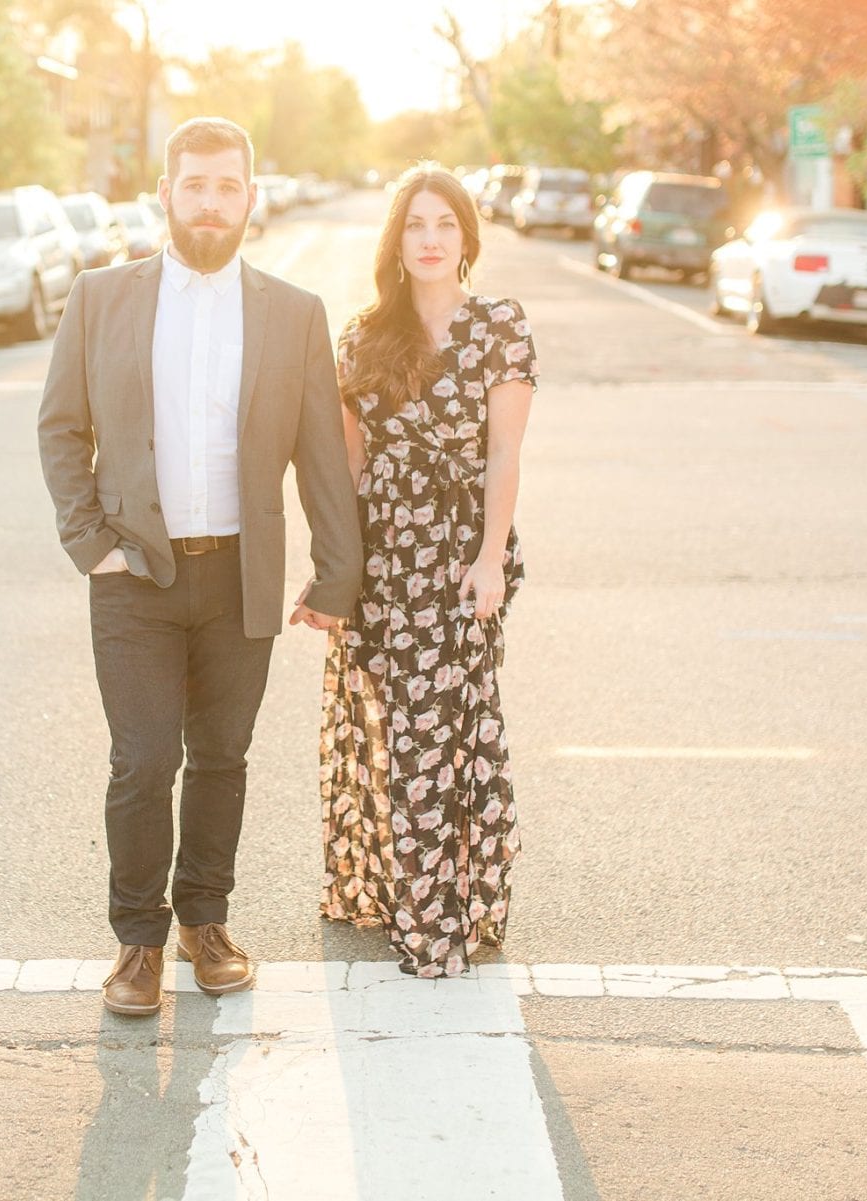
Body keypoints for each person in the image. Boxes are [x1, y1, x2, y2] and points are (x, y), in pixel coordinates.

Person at [38, 117, 364, 1017]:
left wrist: (338, 574)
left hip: (240, 577)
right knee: (143, 761)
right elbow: (63, 428)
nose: (212, 203)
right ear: (166, 194)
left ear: (250, 199)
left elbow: (321, 461)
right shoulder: (101, 298)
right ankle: (137, 941)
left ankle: (204, 922)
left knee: (222, 755)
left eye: (228, 187)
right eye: (196, 185)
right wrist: (90, 543)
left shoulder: (294, 313)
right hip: (134, 574)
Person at [319, 163, 538, 979]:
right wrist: (336, 573)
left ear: (466, 237)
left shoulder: (500, 326)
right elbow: (345, 464)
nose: (432, 239)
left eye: (445, 223)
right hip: (385, 561)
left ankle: (445, 910)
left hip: (461, 557)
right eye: (415, 224)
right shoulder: (363, 337)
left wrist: (488, 558)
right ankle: (414, 895)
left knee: (453, 727)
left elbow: (506, 452)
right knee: (402, 728)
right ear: (396, 241)